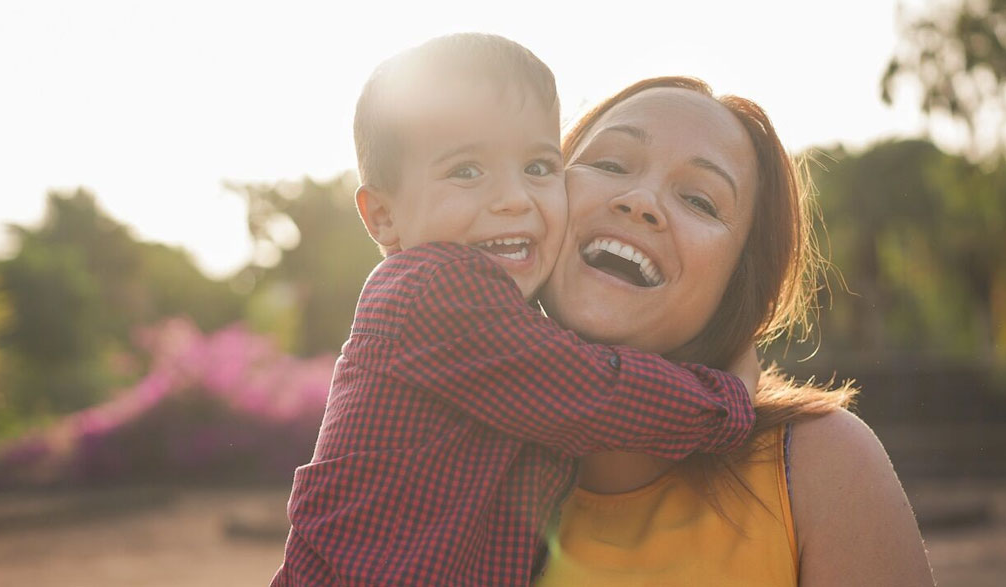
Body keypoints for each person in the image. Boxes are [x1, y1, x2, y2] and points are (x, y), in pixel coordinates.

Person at [271, 36, 759, 586]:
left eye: (538, 166)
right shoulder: (436, 289)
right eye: (467, 172)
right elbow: (587, 393)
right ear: (383, 215)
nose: (515, 199)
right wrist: (726, 400)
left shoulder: (509, 325)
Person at [532, 77, 935, 586]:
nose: (640, 201)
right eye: (610, 164)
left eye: (700, 201)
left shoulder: (818, 469)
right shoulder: (437, 431)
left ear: (739, 282)